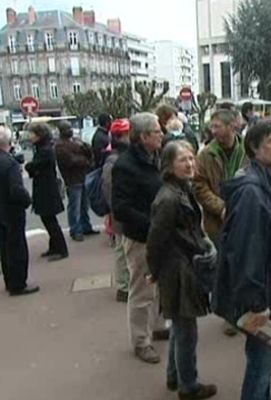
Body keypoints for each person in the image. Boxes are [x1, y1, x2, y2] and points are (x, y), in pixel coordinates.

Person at [213, 120, 271, 400]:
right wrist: (257, 304)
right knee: (261, 367)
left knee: (264, 365)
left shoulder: (267, 182)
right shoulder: (253, 191)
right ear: (254, 148)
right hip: (265, 296)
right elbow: (247, 250)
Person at [146, 141, 218, 400]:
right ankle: (188, 386)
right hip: (177, 270)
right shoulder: (168, 198)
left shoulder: (182, 189)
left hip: (185, 265)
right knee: (187, 331)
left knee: (179, 326)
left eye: (191, 159)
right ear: (169, 165)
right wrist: (153, 271)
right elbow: (155, 239)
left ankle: (174, 375)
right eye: (182, 160)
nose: (189, 164)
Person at [112, 112, 169, 364]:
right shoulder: (125, 165)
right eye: (157, 131)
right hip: (140, 237)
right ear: (144, 136)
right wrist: (153, 224)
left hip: (157, 236)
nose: (162, 135)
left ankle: (156, 326)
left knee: (157, 285)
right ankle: (140, 342)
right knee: (141, 290)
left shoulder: (156, 157)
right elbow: (121, 208)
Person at [195, 109, 247, 337]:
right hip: (218, 221)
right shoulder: (206, 154)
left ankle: (244, 310)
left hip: (245, 216)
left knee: (244, 265)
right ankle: (229, 314)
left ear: (231, 127)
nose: (213, 130)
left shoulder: (248, 149)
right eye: (212, 126)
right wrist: (220, 207)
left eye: (217, 126)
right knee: (224, 269)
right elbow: (199, 186)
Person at [0, 127, 38, 296]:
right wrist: (27, 200)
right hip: (12, 211)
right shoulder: (10, 164)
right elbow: (16, 190)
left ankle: (10, 281)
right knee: (17, 247)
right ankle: (18, 284)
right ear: (9, 142)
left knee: (5, 249)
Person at [24, 122, 69, 262]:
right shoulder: (43, 148)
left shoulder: (45, 150)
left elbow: (33, 166)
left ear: (39, 135)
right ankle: (54, 247)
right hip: (45, 189)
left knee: (50, 221)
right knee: (48, 220)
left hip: (47, 191)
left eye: (32, 134)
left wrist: (28, 166)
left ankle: (61, 249)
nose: (30, 136)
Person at [102, 119, 131, 303]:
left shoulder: (121, 156)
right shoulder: (114, 160)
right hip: (121, 212)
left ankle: (126, 284)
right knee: (122, 249)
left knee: (125, 248)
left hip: (122, 210)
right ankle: (123, 287)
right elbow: (109, 188)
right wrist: (116, 211)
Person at [54, 121, 97, 242]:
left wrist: (85, 148)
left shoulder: (76, 141)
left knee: (84, 205)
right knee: (75, 206)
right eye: (67, 129)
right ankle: (75, 230)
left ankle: (86, 226)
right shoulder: (60, 146)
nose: (70, 130)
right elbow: (70, 161)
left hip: (83, 176)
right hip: (72, 179)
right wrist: (85, 160)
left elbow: (89, 153)